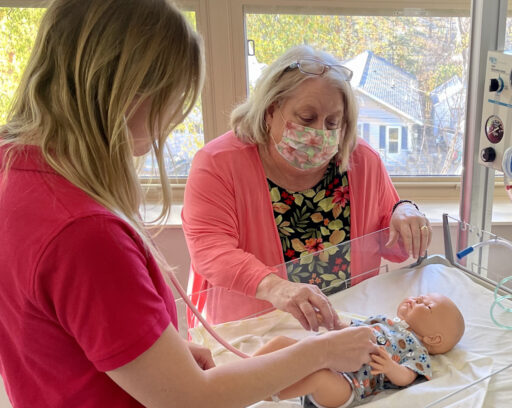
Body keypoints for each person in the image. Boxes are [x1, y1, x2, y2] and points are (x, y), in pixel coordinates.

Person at [0, 1, 378, 407]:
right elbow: (191, 400)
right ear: (127, 92)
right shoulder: (85, 232)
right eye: (172, 99)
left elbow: (62, 327)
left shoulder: (1, 165)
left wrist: (158, 349)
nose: (168, 122)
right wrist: (321, 352)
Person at [182, 45, 433, 331]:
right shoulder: (218, 164)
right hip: (253, 331)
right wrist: (276, 288)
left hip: (343, 322)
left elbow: (390, 238)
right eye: (306, 118)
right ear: (270, 110)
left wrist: (405, 213)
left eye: (332, 122)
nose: (319, 133)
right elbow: (211, 251)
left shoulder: (360, 160)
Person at [253, 294, 466, 408]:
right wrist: (333, 324)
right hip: (323, 356)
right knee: (281, 342)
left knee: (319, 377)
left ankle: (261, 394)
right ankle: (246, 369)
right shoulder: (382, 321)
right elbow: (352, 331)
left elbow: (408, 377)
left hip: (348, 384)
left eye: (426, 306)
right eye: (420, 296)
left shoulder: (417, 350)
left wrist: (391, 367)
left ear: (433, 338)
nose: (416, 299)